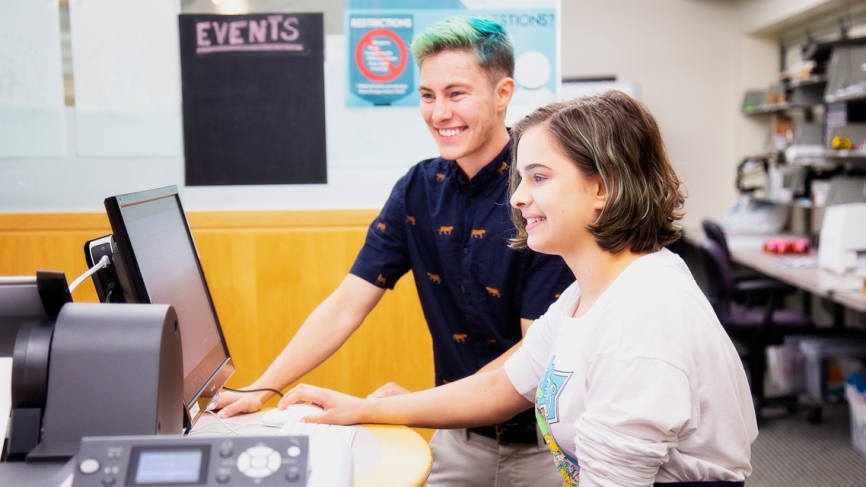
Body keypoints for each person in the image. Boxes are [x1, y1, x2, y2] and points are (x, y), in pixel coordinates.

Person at [281, 91, 759, 487]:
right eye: (519, 177)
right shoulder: (584, 296)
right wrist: (364, 409)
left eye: (539, 177)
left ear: (604, 188)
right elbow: (500, 385)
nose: (517, 197)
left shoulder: (644, 314)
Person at [216, 16, 575, 487]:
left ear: (503, 93)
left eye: (457, 93)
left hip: (546, 445)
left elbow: (529, 360)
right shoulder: (417, 189)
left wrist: (386, 408)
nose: (439, 112)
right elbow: (347, 304)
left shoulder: (538, 194)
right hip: (457, 437)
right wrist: (264, 385)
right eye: (428, 96)